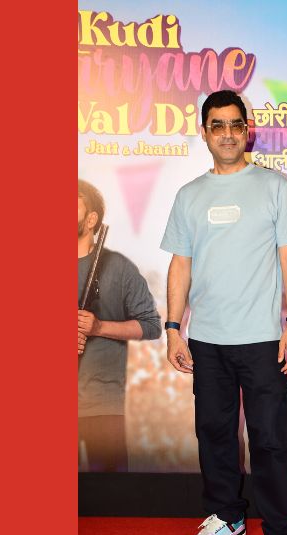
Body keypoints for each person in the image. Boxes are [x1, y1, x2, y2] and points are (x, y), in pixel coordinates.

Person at [160, 90, 287, 535]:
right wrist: (173, 327)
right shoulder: (189, 195)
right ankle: (227, 518)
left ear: (248, 130)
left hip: (264, 339)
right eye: (217, 125)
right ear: (204, 131)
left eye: (235, 124)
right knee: (214, 434)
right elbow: (180, 263)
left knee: (270, 440)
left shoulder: (275, 186)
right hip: (207, 340)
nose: (227, 133)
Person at [78, 178, 161, 472]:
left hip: (103, 404)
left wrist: (99, 328)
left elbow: (151, 325)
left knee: (111, 492)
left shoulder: (119, 267)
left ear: (91, 220)